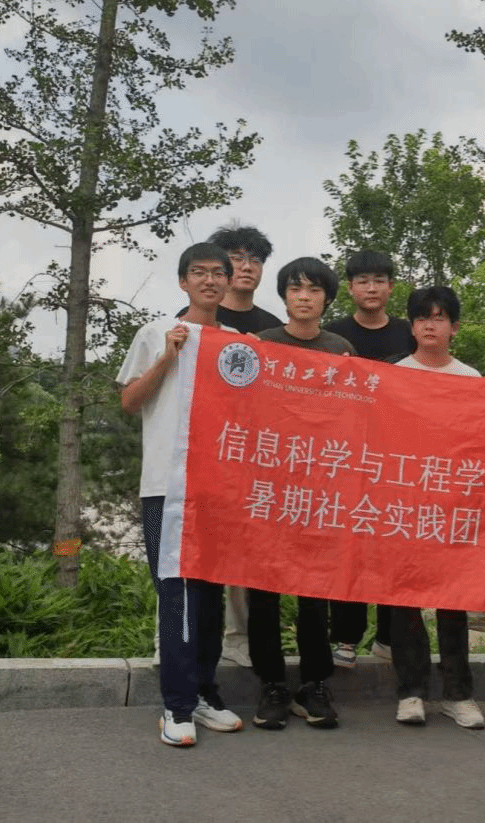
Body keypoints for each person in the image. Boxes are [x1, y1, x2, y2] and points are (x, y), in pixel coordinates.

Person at [117, 242, 243, 747]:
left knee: (211, 595)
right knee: (176, 594)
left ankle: (205, 693)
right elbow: (129, 401)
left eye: (217, 273)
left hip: (219, 487)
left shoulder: (239, 344)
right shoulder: (156, 332)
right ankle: (177, 705)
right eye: (199, 272)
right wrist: (168, 357)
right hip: (165, 488)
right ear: (183, 281)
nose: (209, 280)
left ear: (229, 282)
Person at [250, 257, 354, 730]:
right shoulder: (263, 344)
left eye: (314, 289)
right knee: (263, 589)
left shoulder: (340, 349)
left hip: (320, 486)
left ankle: (314, 683)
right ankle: (271, 683)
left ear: (327, 298)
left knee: (315, 590)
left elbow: (355, 414)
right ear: (284, 295)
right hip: (269, 484)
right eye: (296, 288)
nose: (305, 297)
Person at [389, 286, 485, 730]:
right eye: (422, 317)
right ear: (412, 326)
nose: (430, 325)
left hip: (454, 503)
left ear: (455, 327)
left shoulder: (472, 378)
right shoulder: (395, 376)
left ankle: (458, 694)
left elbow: (483, 442)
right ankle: (410, 691)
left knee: (453, 601)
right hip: (406, 502)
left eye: (440, 317)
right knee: (403, 599)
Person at [324, 251, 415, 666]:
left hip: (398, 456)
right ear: (350, 288)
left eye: (379, 280)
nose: (372, 288)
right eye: (363, 281)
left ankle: (389, 637)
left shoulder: (409, 333)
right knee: (350, 546)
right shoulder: (333, 336)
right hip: (346, 456)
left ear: (391, 287)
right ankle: (345, 637)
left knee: (393, 545)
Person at [205, 222, 282, 669]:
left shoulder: (272, 328)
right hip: (207, 450)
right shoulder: (194, 319)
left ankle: (239, 638)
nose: (246, 267)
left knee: (245, 551)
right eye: (236, 258)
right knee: (197, 548)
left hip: (255, 453)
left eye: (255, 259)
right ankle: (179, 639)